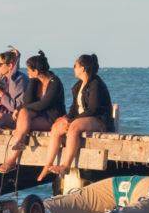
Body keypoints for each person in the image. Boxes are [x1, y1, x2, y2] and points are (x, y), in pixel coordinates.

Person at [38, 53, 114, 181]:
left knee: (74, 127)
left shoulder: (95, 83)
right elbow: (74, 108)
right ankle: (47, 165)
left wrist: (72, 121)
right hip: (82, 119)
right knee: (57, 126)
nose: (73, 68)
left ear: (83, 68)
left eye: (75, 66)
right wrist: (67, 118)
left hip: (99, 120)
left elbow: (94, 109)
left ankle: (66, 166)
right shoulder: (78, 86)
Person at [0, 50, 66, 174]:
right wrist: (19, 109)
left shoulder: (55, 83)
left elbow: (44, 104)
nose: (27, 72)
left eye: (29, 70)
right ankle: (15, 152)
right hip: (37, 116)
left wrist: (22, 109)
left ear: (36, 71)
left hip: (51, 119)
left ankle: (12, 159)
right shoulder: (35, 81)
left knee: (22, 122)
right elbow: (27, 101)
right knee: (23, 115)